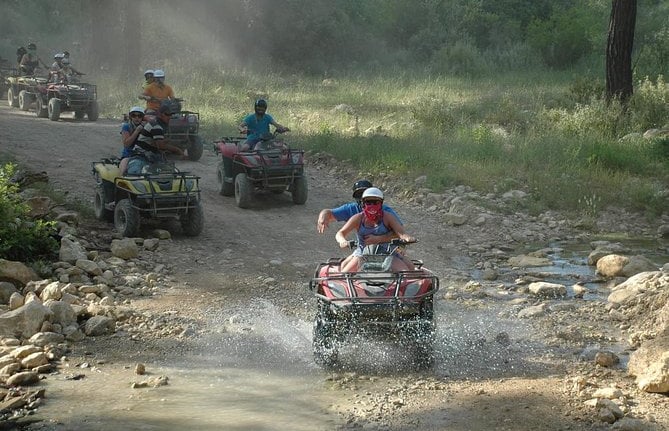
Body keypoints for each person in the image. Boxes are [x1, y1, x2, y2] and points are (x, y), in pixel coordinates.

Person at [335, 187, 415, 273]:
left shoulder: (388, 217)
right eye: (368, 202)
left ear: (381, 203)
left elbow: (401, 233)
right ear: (363, 204)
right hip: (362, 254)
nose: (372, 205)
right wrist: (342, 241)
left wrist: (408, 238)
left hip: (388, 254)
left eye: (376, 202)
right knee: (345, 274)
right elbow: (340, 233)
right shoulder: (358, 218)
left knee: (409, 271)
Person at [317, 179, 403, 245]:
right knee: (349, 263)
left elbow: (400, 232)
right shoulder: (352, 209)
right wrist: (323, 217)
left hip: (390, 249)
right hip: (365, 250)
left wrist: (379, 239)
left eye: (365, 194)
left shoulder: (386, 212)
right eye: (359, 195)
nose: (362, 198)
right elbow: (328, 213)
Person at [133, 101, 186, 165]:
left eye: (170, 114)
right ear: (160, 114)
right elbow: (161, 146)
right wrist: (177, 150)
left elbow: (157, 143)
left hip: (145, 151)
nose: (169, 117)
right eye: (166, 114)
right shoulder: (156, 126)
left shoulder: (157, 123)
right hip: (142, 153)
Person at [119, 106, 146, 175]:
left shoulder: (146, 126)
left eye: (139, 116)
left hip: (143, 154)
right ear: (131, 117)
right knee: (124, 166)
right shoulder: (126, 126)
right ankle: (122, 177)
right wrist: (137, 131)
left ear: (142, 117)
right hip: (128, 154)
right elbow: (126, 144)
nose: (137, 118)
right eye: (134, 115)